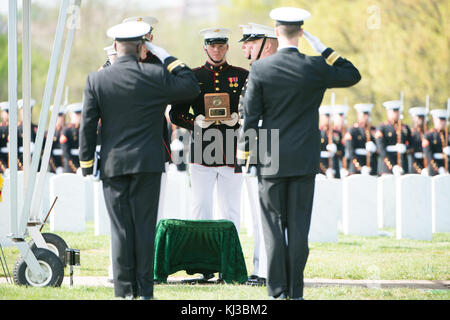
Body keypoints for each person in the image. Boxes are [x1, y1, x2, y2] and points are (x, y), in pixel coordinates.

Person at [237, 7, 361, 299]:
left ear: (276, 33)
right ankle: (296, 292)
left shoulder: (261, 69)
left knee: (273, 229)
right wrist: (322, 48)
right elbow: (352, 74)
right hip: (304, 157)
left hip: (271, 158)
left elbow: (251, 118)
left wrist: (245, 157)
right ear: (301, 32)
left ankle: (277, 291)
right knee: (299, 229)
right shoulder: (315, 66)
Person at [79, 21, 199, 299]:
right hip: (147, 163)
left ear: (116, 47)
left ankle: (123, 292)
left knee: (121, 230)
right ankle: (145, 292)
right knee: (145, 228)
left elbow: (87, 125)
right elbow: (190, 86)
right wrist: (166, 55)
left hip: (114, 164)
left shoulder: (97, 80)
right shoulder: (155, 75)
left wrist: (86, 164)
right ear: (142, 48)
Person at [169, 28, 249, 230]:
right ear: (205, 48)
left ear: (227, 48)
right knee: (200, 207)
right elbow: (175, 113)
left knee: (231, 211)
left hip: (233, 151)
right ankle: (200, 255)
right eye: (212, 46)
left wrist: (238, 120)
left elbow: (253, 109)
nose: (217, 50)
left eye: (221, 46)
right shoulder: (193, 76)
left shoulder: (241, 76)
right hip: (202, 151)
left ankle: (229, 254)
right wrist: (194, 122)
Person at [238, 22, 278, 287]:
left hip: (266, 146)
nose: (245, 48)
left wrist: (246, 154)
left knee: (266, 212)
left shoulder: (269, 72)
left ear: (269, 45)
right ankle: (263, 267)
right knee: (260, 213)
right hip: (262, 145)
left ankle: (265, 269)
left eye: (251, 43)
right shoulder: (259, 72)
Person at [375, 100, 412, 175]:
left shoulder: (405, 128)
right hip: (387, 168)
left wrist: (405, 148)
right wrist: (392, 166)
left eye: (397, 111)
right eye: (394, 111)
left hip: (403, 165)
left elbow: (412, 146)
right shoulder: (382, 128)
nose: (396, 114)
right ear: (388, 112)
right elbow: (381, 149)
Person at [344, 103, 378, 175]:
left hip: (371, 166)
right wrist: (359, 167)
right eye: (364, 114)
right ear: (358, 115)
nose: (366, 117)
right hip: (356, 168)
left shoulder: (373, 130)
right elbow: (351, 152)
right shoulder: (352, 130)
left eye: (367, 114)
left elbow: (380, 148)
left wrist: (375, 149)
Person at [318, 105, 343, 179]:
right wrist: (325, 170)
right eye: (326, 116)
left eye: (329, 116)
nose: (328, 119)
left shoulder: (336, 133)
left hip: (334, 166)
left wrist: (336, 151)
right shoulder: (317, 133)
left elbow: (342, 151)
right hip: (321, 167)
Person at [423, 109, 450, 175]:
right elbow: (429, 156)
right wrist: (438, 169)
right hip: (434, 171)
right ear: (434, 120)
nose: (442, 122)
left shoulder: (448, 135)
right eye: (440, 120)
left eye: (444, 120)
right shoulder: (428, 136)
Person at [60, 102, 82, 173]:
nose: (79, 116)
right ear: (70, 115)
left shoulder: (84, 129)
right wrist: (76, 168)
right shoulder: (66, 130)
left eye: (80, 114)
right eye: (77, 114)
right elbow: (66, 152)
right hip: (70, 167)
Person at [408, 107, 428, 175]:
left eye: (422, 118)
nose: (420, 120)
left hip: (426, 162)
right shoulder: (411, 133)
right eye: (418, 118)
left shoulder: (427, 133)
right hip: (415, 163)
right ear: (414, 118)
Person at [48, 104, 66, 174]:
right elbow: (48, 154)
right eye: (58, 116)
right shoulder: (49, 133)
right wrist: (55, 167)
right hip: (54, 165)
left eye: (61, 116)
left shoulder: (67, 131)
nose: (60, 118)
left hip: (66, 165)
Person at [0, 102, 9, 173]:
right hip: (2, 157)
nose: (7, 115)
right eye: (6, 112)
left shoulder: (15, 127)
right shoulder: (1, 128)